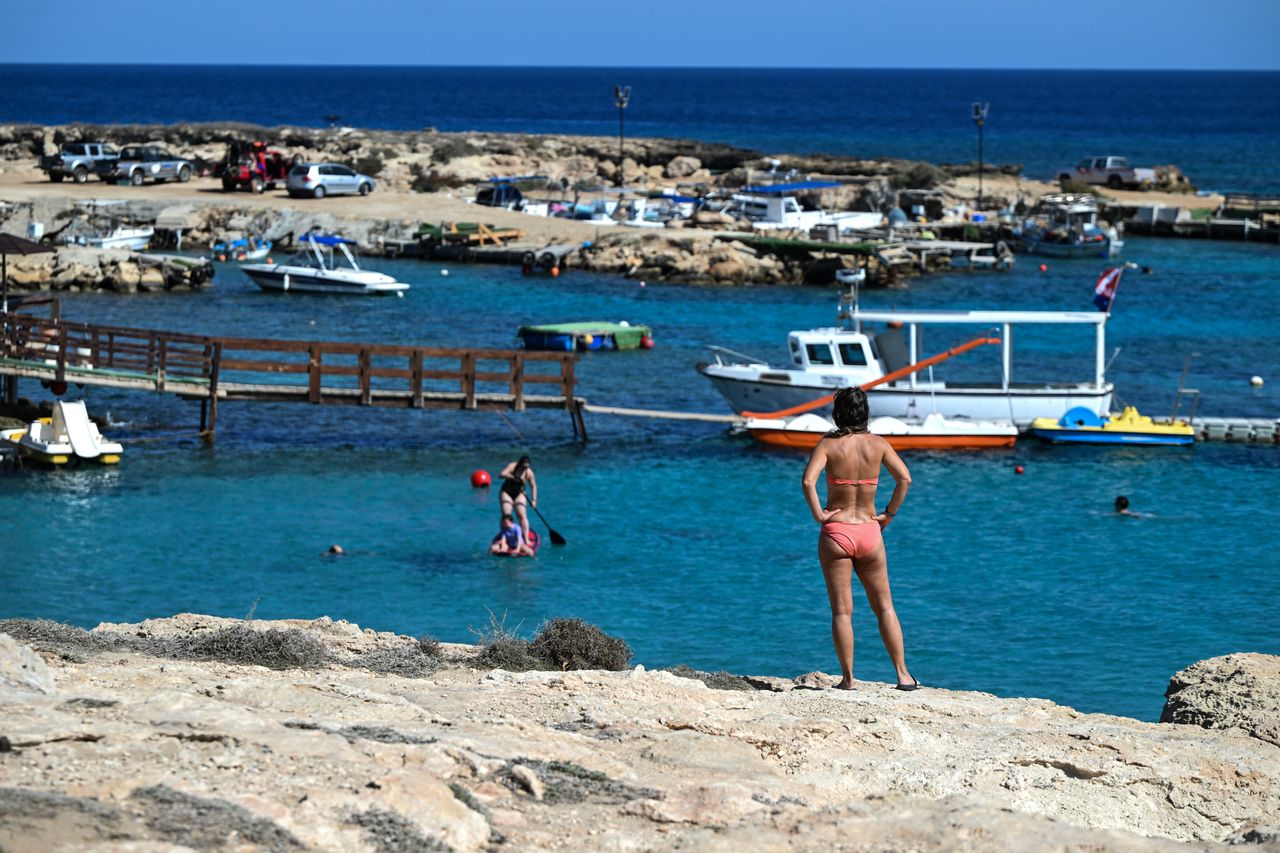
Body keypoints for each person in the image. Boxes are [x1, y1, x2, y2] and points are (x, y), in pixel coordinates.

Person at [801, 387, 917, 691]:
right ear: (865, 412)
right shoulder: (878, 445)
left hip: (836, 532)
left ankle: (848, 679)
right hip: (869, 531)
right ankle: (903, 675)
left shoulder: (828, 445)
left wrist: (819, 515)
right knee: (885, 607)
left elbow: (808, 481)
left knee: (842, 611)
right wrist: (888, 514)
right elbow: (905, 478)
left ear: (838, 413)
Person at [499, 455, 537, 546]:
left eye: (527, 467)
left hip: (519, 494)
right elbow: (501, 474)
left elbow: (533, 486)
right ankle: (504, 538)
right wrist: (513, 477)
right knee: (506, 516)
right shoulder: (512, 466)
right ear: (520, 464)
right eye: (523, 466)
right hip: (506, 492)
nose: (525, 469)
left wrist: (534, 500)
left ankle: (526, 539)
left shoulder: (529, 473)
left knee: (522, 516)